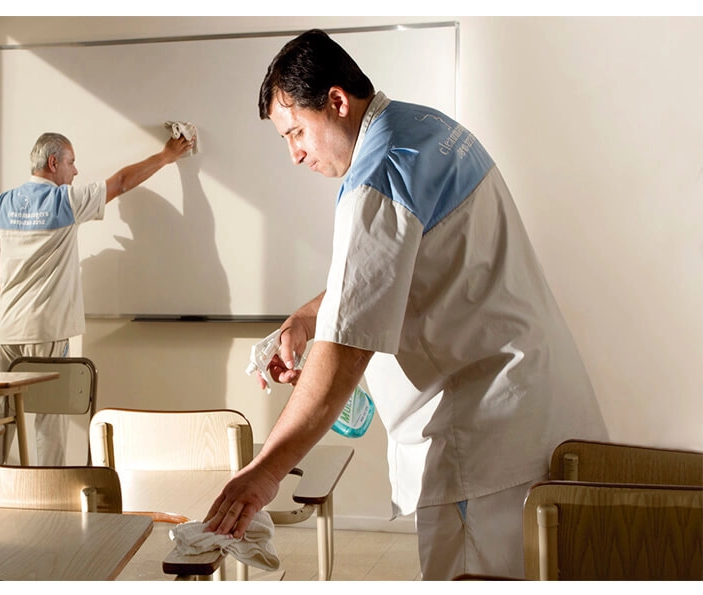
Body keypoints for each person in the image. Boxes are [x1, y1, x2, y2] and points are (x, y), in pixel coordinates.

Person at [203, 29, 608, 580]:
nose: (294, 154)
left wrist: (265, 471)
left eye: (296, 131)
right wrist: (306, 317)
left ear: (337, 101)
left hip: (482, 443)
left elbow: (345, 352)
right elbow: (396, 271)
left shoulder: (378, 177)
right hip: (534, 410)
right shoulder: (428, 131)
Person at [0, 131, 193, 466]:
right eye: (71, 162)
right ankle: (50, 491)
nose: (75, 171)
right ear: (53, 162)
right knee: (49, 419)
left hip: (8, 327)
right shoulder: (65, 201)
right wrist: (166, 156)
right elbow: (121, 183)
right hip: (47, 329)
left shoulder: (5, 202)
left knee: (2, 415)